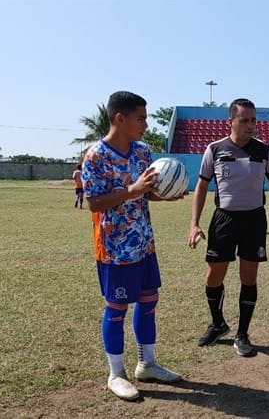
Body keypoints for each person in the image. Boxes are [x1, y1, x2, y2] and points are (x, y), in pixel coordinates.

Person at [81, 91, 183, 401]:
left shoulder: (141, 152)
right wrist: (132, 189)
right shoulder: (95, 156)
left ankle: (147, 364)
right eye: (141, 118)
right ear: (120, 118)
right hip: (115, 249)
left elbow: (146, 193)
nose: (147, 125)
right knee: (117, 309)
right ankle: (116, 373)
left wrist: (164, 192)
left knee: (149, 302)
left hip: (144, 244)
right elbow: (94, 203)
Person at [187, 98, 269, 358]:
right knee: (213, 277)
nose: (250, 125)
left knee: (249, 278)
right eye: (244, 120)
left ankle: (242, 334)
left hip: (254, 221)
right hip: (223, 220)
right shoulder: (214, 149)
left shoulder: (265, 151)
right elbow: (201, 187)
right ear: (231, 121)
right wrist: (194, 223)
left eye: (253, 120)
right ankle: (218, 323)